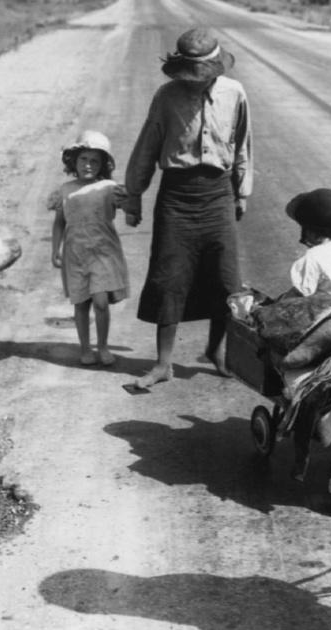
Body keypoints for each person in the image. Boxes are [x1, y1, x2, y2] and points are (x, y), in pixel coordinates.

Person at [123, 27, 252, 389]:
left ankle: (218, 350)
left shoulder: (235, 93)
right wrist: (134, 197)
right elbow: (147, 147)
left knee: (226, 280)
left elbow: (242, 143)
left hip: (218, 194)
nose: (197, 82)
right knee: (170, 278)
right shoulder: (166, 96)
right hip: (177, 199)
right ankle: (163, 364)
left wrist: (241, 191)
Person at [49, 130, 132, 367]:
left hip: (103, 251)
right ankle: (85, 348)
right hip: (75, 254)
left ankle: (103, 346)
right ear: (73, 161)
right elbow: (59, 223)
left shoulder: (108, 187)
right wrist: (55, 249)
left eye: (95, 161)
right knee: (81, 303)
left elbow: (129, 208)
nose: (88, 165)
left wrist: (129, 203)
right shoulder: (65, 190)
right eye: (84, 159)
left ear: (103, 165)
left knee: (101, 301)